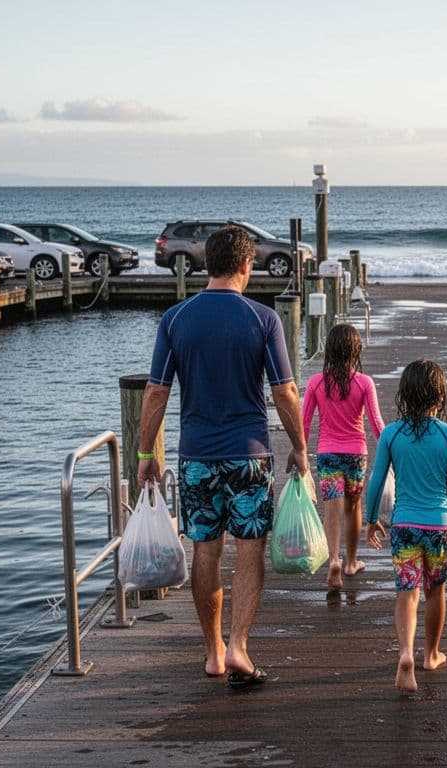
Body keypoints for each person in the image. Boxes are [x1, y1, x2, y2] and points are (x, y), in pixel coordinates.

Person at [137, 224, 307, 691]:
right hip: (249, 456)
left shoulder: (175, 318)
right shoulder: (262, 318)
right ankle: (239, 646)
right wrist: (300, 446)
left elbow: (155, 393)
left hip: (195, 457)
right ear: (247, 266)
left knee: (205, 550)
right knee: (249, 551)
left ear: (206, 264)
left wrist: (145, 452)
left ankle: (213, 653)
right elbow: (286, 392)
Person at [364, 359, 447, 693]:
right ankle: (430, 654)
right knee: (435, 591)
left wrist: (371, 519)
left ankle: (405, 653)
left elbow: (376, 482)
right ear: (440, 395)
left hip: (404, 526)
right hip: (439, 527)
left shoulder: (392, 434)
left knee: (406, 592)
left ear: (404, 394)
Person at [302, 323, 385, 591]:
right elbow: (376, 424)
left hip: (327, 453)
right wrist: (392, 451)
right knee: (353, 509)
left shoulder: (316, 382)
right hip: (356, 454)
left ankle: (333, 559)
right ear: (355, 351)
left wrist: (299, 452)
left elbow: (303, 424)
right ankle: (350, 562)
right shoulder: (364, 383)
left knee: (331, 512)